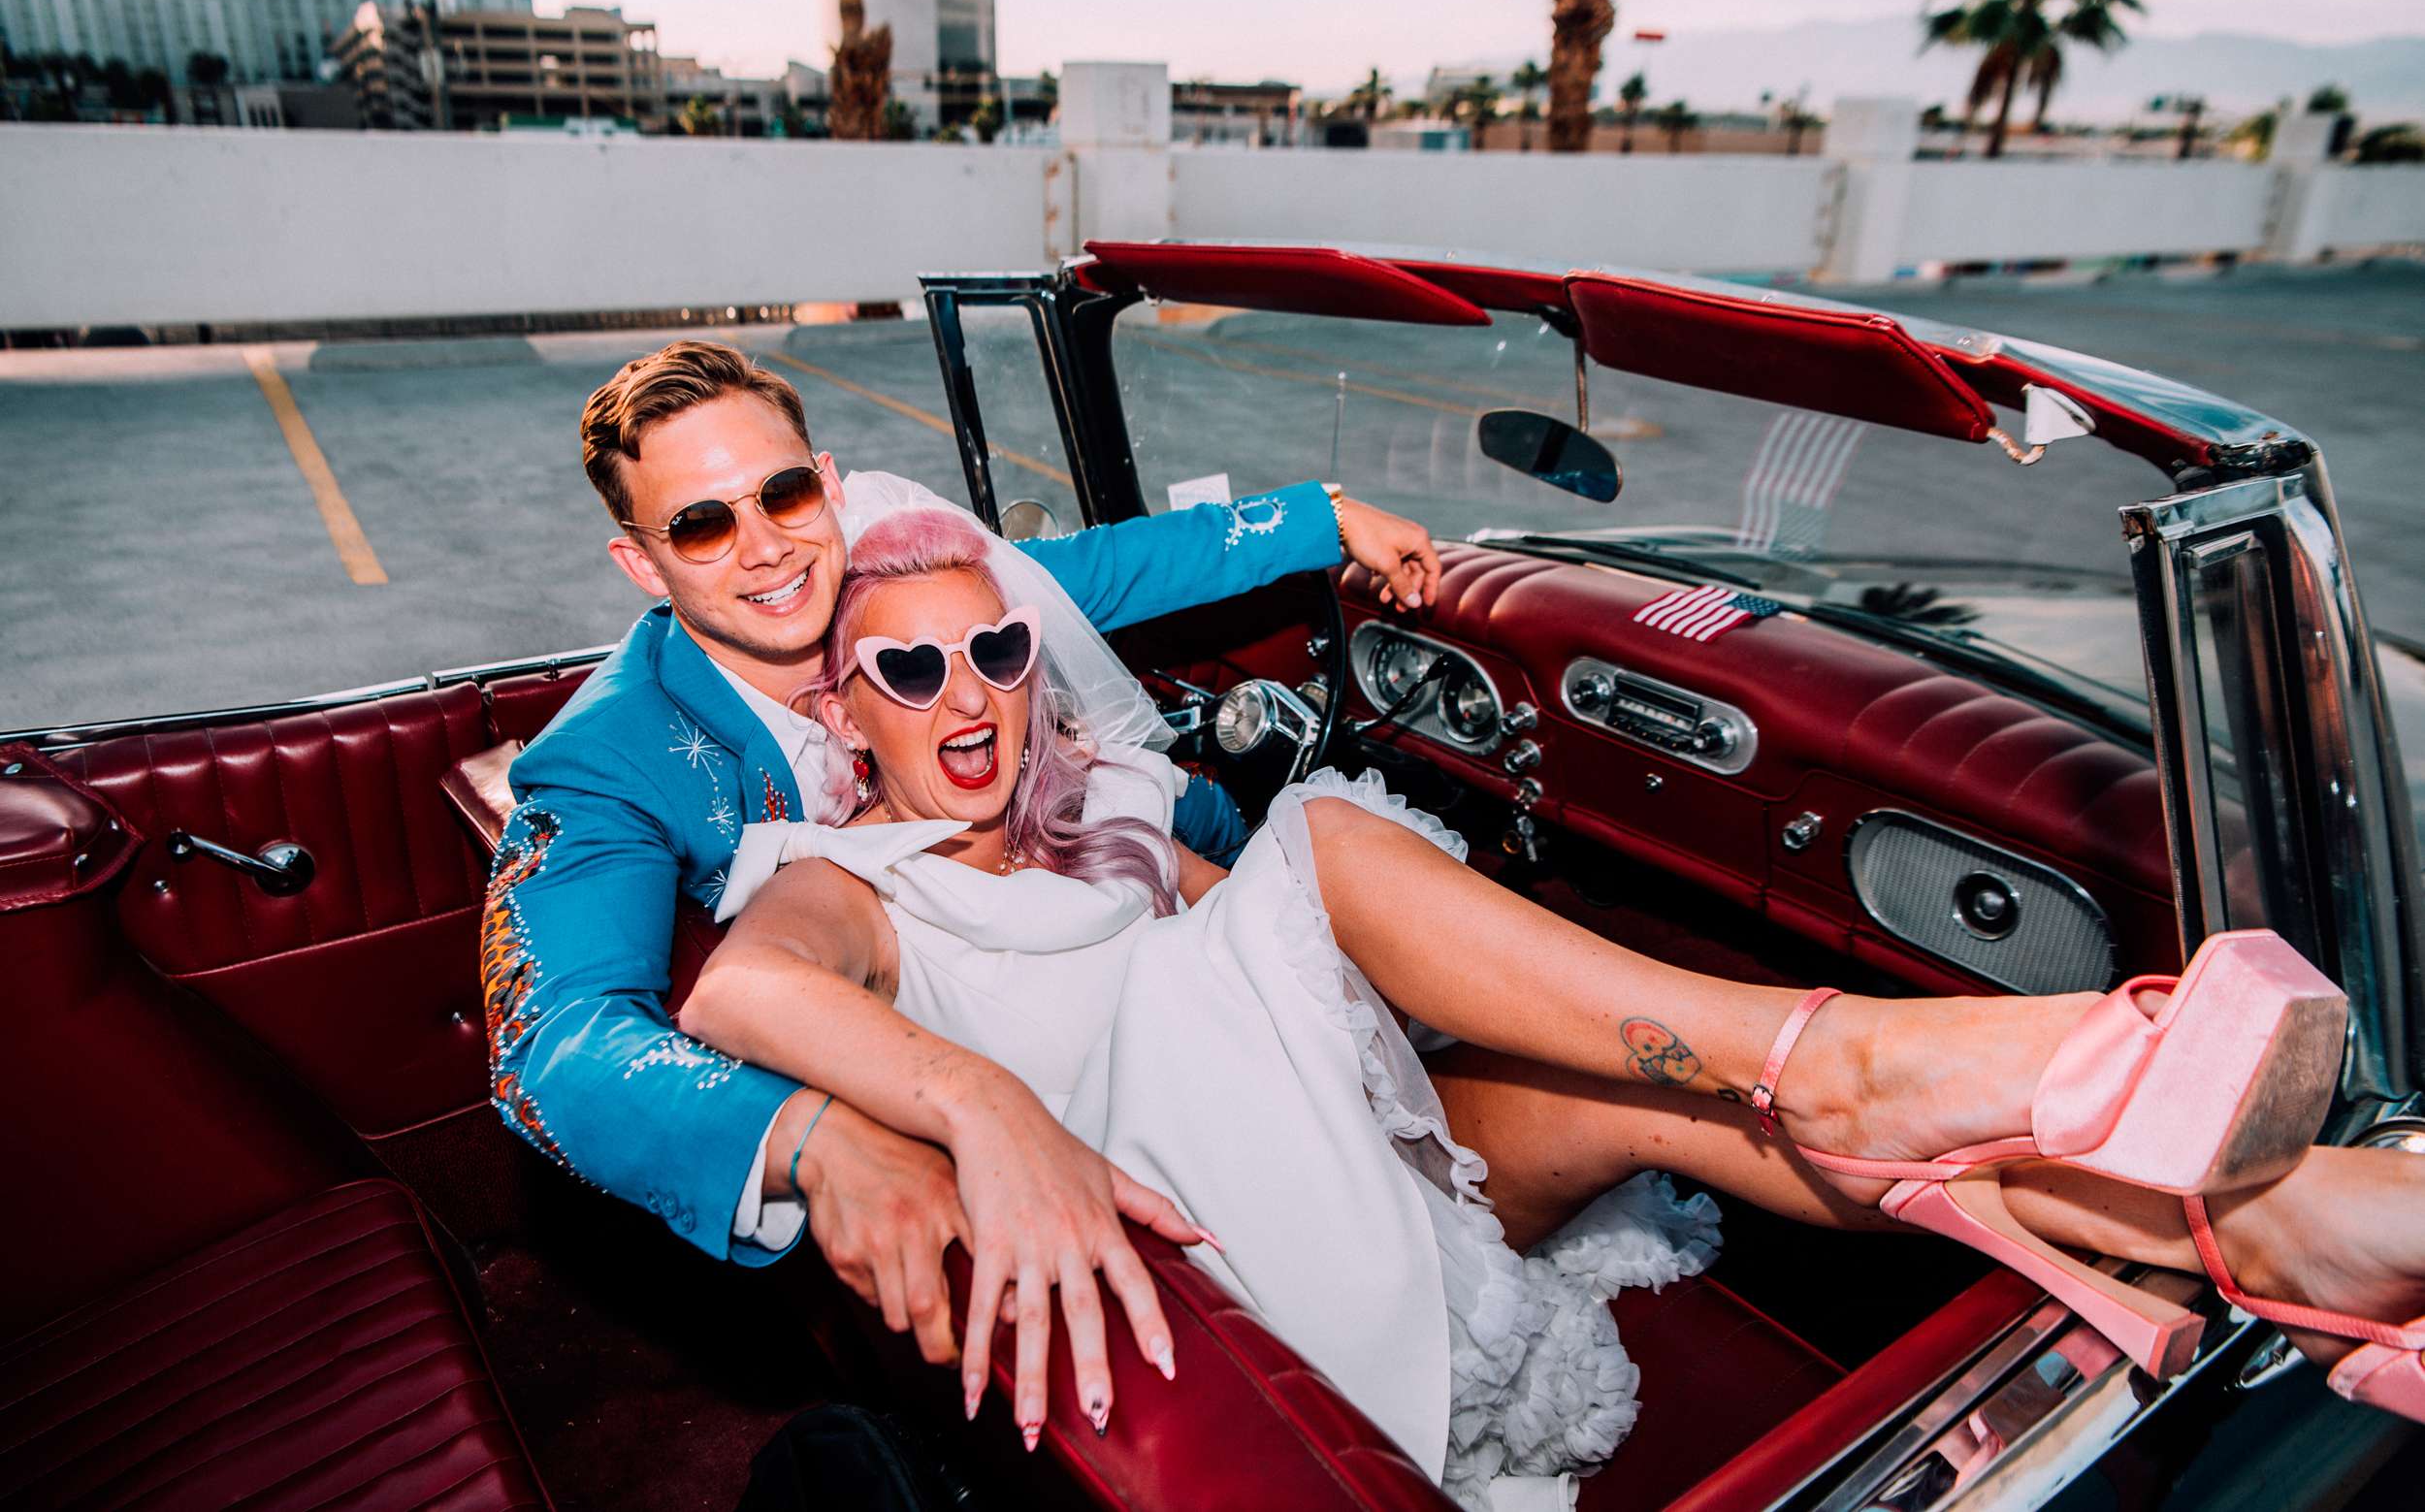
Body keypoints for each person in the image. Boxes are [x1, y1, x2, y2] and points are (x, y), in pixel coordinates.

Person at [685, 502, 2425, 1508]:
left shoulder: (1116, 815)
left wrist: (1461, 1012)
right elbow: (741, 987)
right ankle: (1871, 1056)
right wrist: (984, 1109)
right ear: (845, 714)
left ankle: (2270, 1227)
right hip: (1223, 1241)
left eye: (997, 649)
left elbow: (1283, 982)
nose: (970, 693)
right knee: (1330, 843)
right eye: (909, 667)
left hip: (1344, 1150)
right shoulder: (847, 888)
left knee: (1660, 1097)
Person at [480, 339, 1442, 1297]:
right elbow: (553, 1045)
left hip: (1120, 870)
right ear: (642, 564)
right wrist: (812, 1138)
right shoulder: (607, 758)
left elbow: (1103, 569)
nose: (766, 546)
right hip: (965, 1008)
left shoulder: (883, 583)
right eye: (700, 526)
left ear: (827, 486)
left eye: (784, 494)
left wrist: (1324, 516)